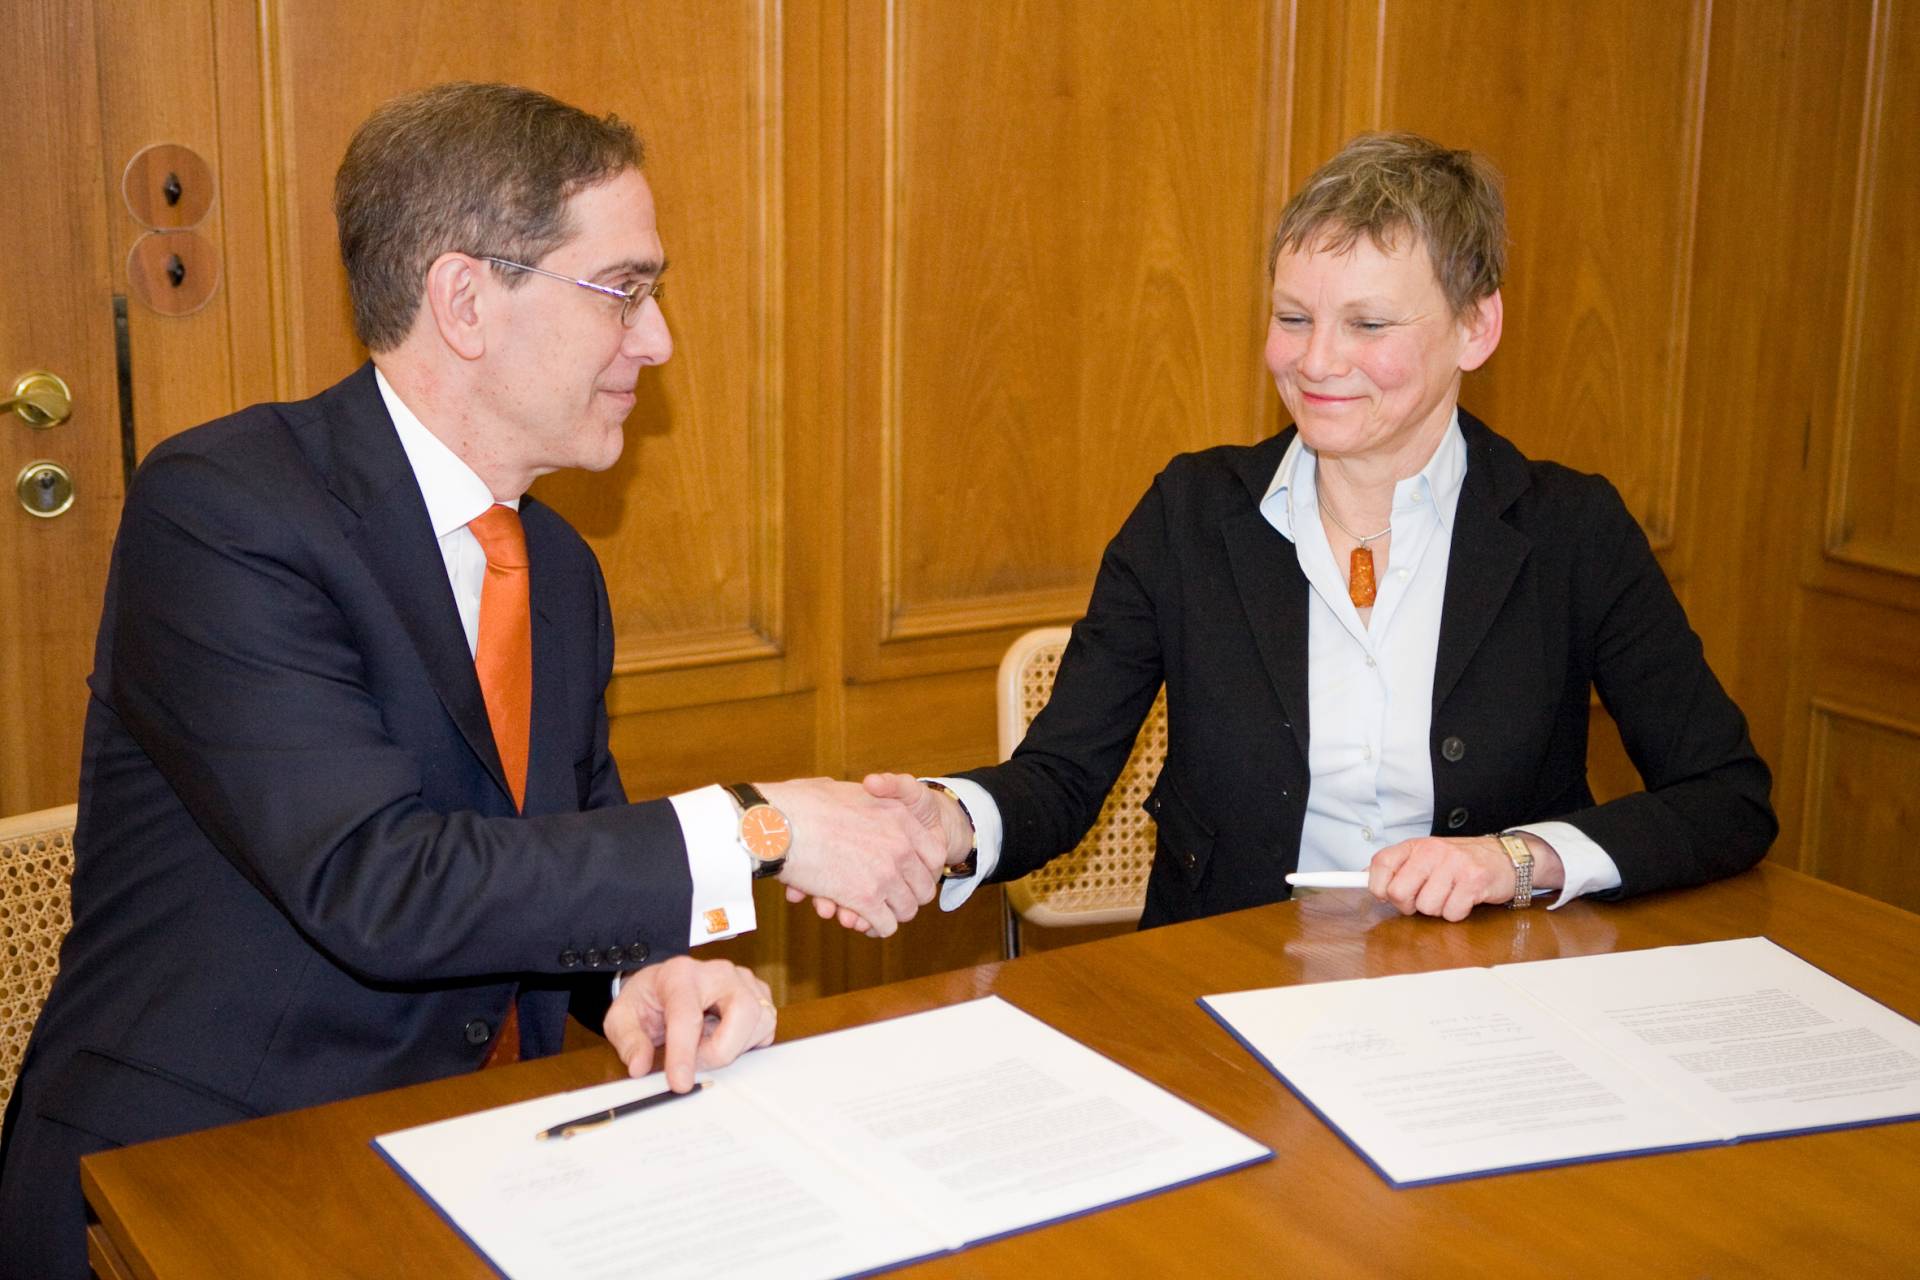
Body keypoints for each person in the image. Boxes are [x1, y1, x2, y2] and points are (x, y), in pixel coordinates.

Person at [0, 82, 941, 1278]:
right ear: (464, 300)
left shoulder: (555, 568)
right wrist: (763, 826)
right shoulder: (225, 513)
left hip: (482, 1158)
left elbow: (562, 861)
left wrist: (651, 976)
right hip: (203, 1177)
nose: (657, 339)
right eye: (624, 290)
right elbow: (377, 879)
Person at [840, 131, 1777, 931]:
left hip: (1490, 1001)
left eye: (1367, 323)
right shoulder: (1190, 513)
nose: (1317, 361)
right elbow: (1059, 777)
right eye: (1294, 318)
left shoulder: (1573, 529)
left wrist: (1520, 861)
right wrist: (951, 821)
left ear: (1476, 327)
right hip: (1230, 993)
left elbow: (1726, 798)